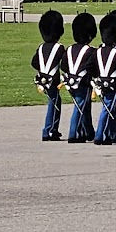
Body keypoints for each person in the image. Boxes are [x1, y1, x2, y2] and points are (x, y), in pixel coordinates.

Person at [92, 11, 116, 146]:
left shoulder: (97, 51)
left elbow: (91, 66)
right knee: (108, 108)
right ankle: (100, 135)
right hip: (113, 84)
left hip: (101, 82)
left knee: (111, 108)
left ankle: (114, 133)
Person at [30, 8, 66, 141]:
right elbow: (65, 63)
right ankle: (49, 130)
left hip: (42, 78)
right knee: (54, 103)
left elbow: (34, 62)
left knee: (53, 101)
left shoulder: (41, 47)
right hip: (52, 80)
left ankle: (51, 129)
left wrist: (43, 69)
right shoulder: (59, 47)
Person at [63, 11, 98, 143]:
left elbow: (64, 65)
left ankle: (88, 131)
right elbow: (93, 68)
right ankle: (74, 133)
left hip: (70, 81)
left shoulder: (69, 49)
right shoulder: (91, 51)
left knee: (84, 107)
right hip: (83, 82)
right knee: (80, 106)